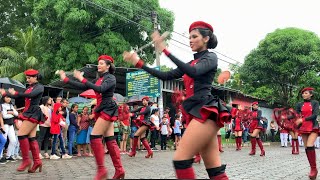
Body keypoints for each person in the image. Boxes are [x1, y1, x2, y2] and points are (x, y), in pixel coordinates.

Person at [123, 21, 231, 179]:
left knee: (181, 159)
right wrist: (139, 62)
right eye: (190, 37)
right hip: (197, 112)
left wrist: (165, 50)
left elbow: (194, 72)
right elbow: (165, 76)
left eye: (194, 36)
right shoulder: (191, 62)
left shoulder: (211, 57)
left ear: (206, 38)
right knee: (215, 171)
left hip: (206, 111)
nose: (190, 40)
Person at [59, 54, 125, 179]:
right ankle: (119, 170)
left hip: (107, 108)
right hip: (103, 108)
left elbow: (101, 89)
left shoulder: (111, 78)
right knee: (110, 140)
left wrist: (82, 78)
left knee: (95, 136)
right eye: (98, 63)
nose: (98, 65)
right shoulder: (98, 79)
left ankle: (102, 170)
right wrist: (66, 79)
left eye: (101, 63)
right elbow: (82, 86)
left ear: (108, 66)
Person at [0, 69, 44, 173]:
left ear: (35, 77)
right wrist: (6, 93)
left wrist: (15, 92)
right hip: (29, 113)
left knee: (21, 134)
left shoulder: (40, 87)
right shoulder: (29, 87)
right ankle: (37, 161)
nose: (27, 80)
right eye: (27, 78)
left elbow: (31, 95)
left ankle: (26, 160)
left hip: (33, 113)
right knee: (31, 138)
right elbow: (18, 95)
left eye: (29, 78)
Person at [295, 87, 319, 179]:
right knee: (306, 148)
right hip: (303, 127)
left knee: (310, 145)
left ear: (311, 94)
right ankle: (313, 169)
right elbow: (296, 115)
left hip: (313, 126)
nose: (303, 94)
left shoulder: (315, 103)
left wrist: (303, 119)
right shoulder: (299, 104)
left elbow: (315, 115)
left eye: (306, 93)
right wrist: (289, 117)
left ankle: (313, 169)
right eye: (303, 93)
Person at [0, 95, 18, 161]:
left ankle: (8, 155)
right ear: (3, 98)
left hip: (11, 124)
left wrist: (11, 112)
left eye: (9, 97)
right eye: (7, 97)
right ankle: (0, 156)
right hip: (4, 125)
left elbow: (17, 114)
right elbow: (4, 116)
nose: (8, 98)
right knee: (3, 140)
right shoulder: (1, 105)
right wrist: (12, 114)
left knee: (13, 140)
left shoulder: (11, 105)